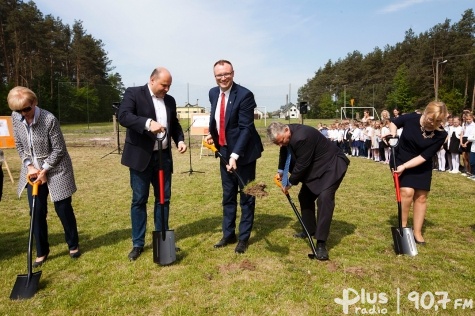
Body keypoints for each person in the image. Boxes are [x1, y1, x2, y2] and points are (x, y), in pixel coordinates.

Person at [118, 67, 187, 261]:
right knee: (139, 200)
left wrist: (179, 140)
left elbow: (175, 125)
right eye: (164, 85)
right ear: (152, 80)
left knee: (163, 199)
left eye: (169, 86)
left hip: (163, 158)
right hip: (141, 157)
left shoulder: (170, 100)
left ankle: (162, 238)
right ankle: (138, 243)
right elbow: (124, 116)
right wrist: (148, 123)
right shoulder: (133, 93)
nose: (167, 89)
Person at [7, 86, 81, 267]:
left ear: (35, 103)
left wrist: (45, 169)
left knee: (63, 208)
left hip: (56, 168)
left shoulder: (49, 119)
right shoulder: (16, 118)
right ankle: (41, 251)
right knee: (36, 211)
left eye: (26, 108)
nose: (23, 114)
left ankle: (73, 244)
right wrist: (30, 166)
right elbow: (19, 144)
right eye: (18, 110)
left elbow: (59, 149)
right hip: (32, 170)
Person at [267, 122, 350, 260]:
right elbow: (284, 151)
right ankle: (309, 229)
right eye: (277, 143)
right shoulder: (286, 134)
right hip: (316, 166)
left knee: (324, 199)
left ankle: (321, 243)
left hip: (331, 166)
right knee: (305, 197)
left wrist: (290, 182)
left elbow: (302, 164)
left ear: (286, 130)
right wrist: (281, 171)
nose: (281, 145)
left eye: (281, 141)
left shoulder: (302, 137)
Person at [205, 59, 263, 254]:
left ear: (233, 73)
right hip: (223, 151)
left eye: (226, 74)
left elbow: (246, 128)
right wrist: (214, 137)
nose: (223, 78)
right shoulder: (213, 93)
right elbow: (219, 120)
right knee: (228, 195)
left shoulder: (245, 95)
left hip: (244, 153)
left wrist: (235, 155)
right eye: (219, 75)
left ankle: (243, 238)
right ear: (215, 76)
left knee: (247, 195)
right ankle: (228, 234)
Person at [389, 101, 448, 244]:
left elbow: (424, 157)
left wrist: (406, 167)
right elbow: (394, 123)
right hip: (400, 159)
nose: (433, 124)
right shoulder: (411, 118)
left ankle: (417, 232)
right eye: (431, 119)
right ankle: (403, 228)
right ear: (426, 112)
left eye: (438, 121)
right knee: (407, 192)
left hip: (421, 165)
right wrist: (393, 135)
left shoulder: (441, 134)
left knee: (421, 197)